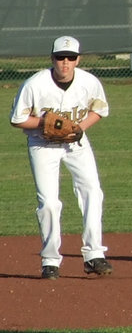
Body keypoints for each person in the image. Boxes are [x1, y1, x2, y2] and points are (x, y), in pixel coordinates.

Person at [9, 35, 114, 279]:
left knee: (92, 191)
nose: (65, 62)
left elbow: (99, 109)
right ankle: (50, 261)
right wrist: (44, 123)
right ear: (52, 58)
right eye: (60, 57)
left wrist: (80, 128)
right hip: (42, 145)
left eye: (70, 57)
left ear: (78, 59)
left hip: (76, 144)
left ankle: (94, 255)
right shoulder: (35, 84)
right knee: (48, 202)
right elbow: (17, 119)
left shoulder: (89, 82)